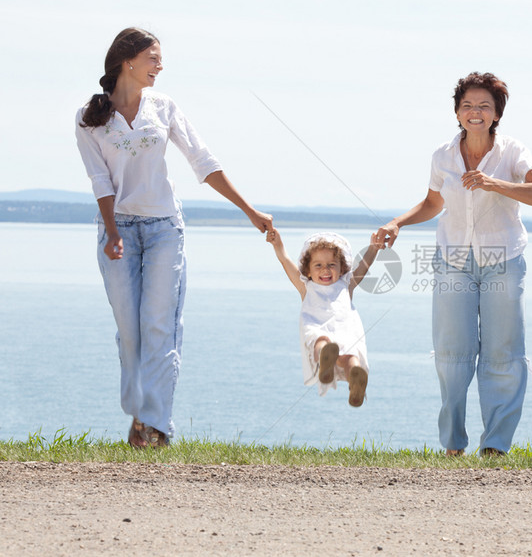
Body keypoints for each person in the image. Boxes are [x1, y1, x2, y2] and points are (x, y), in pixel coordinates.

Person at [75, 27, 272, 448]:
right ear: (128, 61)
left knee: (159, 327)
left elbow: (203, 161)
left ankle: (154, 428)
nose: (159, 67)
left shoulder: (163, 107)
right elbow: (100, 181)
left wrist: (249, 211)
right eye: (153, 58)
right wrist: (112, 232)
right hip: (118, 231)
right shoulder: (89, 117)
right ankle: (142, 418)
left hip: (164, 228)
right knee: (130, 333)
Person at [373, 72, 532, 456]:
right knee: (452, 352)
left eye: (484, 105)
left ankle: (495, 447)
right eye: (468, 105)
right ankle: (453, 445)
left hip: (503, 259)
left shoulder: (514, 152)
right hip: (453, 259)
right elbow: (434, 202)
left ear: (497, 113)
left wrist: (494, 183)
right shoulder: (443, 155)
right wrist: (397, 222)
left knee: (503, 352)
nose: (475, 112)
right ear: (456, 111)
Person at [267, 228, 378, 407]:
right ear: (308, 271)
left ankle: (355, 381)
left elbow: (364, 266)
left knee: (350, 357)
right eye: (318, 265)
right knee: (321, 341)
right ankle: (325, 360)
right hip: (317, 326)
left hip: (344, 329)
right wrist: (278, 245)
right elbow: (285, 260)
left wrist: (373, 248)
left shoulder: (346, 284)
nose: (325, 270)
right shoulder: (306, 286)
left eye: (331, 265)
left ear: (342, 268)